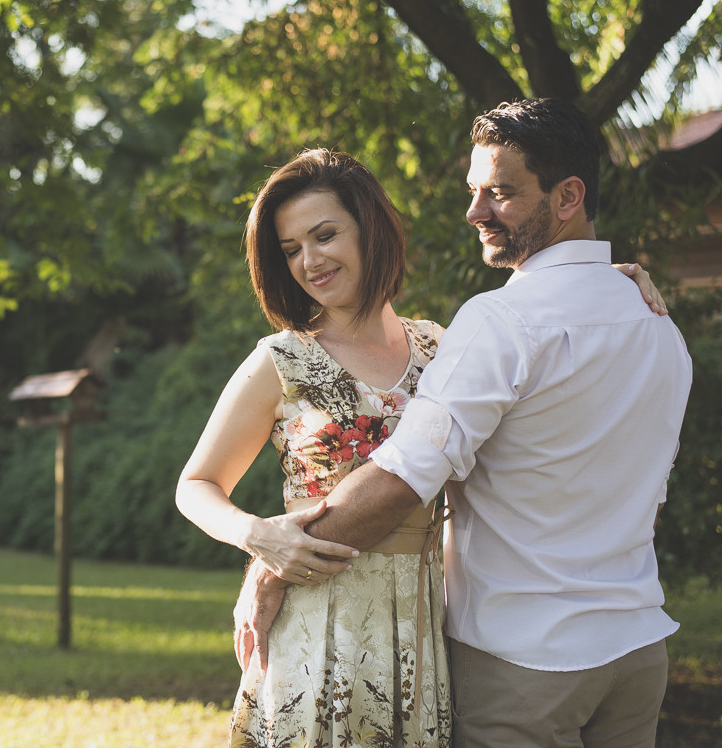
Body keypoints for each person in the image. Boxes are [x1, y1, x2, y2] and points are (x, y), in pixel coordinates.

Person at [175, 144, 667, 748]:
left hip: (423, 622)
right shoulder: (280, 360)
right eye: (291, 249)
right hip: (319, 616)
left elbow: (544, 343)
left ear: (370, 229)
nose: (309, 261)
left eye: (325, 235)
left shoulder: (442, 347)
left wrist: (599, 284)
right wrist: (256, 537)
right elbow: (195, 485)